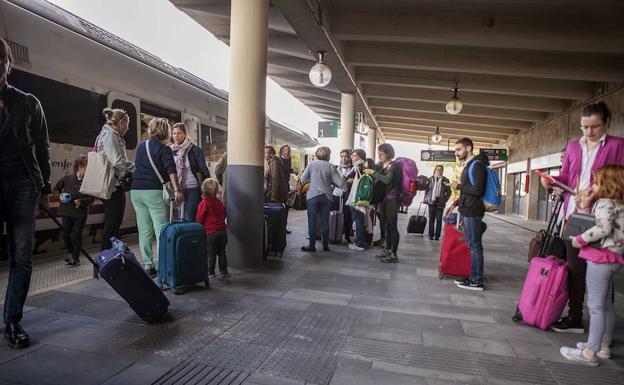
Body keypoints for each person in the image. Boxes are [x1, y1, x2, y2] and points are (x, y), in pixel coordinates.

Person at [541, 102, 624, 333]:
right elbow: (568, 176)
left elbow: (620, 180)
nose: (589, 132)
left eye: (595, 127)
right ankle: (575, 317)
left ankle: (604, 329)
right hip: (574, 215)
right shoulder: (573, 147)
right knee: (574, 268)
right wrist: (553, 180)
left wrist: (595, 192)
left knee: (601, 270)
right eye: (584, 127)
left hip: (602, 217)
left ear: (606, 123)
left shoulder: (618, 146)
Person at [0, 37, 50, 349]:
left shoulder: (29, 102)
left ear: (8, 64)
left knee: (21, 257)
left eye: (0, 60)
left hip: (22, 186)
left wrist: (43, 188)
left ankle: (12, 320)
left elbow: (43, 149)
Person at [559, 165, 624, 366]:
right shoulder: (618, 203)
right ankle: (604, 344)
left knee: (595, 306)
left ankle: (590, 351)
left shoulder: (605, 202)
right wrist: (586, 205)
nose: (593, 185)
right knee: (605, 306)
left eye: (596, 181)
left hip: (600, 258)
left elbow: (602, 228)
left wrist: (580, 239)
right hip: (612, 258)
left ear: (606, 183)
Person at [130, 118, 184, 276]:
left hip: (136, 191)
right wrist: (177, 190)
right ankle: (163, 266)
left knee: (144, 230)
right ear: (165, 131)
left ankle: (148, 265)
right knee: (161, 231)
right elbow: (171, 170)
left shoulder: (141, 146)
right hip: (153, 192)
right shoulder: (165, 149)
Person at [450, 138, 489, 291]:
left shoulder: (477, 165)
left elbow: (478, 190)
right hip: (468, 208)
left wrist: (458, 186)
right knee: (472, 244)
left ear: (468, 148)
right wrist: (456, 203)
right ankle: (473, 276)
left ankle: (477, 280)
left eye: (459, 149)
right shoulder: (471, 165)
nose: (456, 153)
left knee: (475, 245)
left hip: (473, 210)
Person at [96, 108, 135, 251]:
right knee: (112, 224)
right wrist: (136, 167)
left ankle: (108, 258)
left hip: (114, 184)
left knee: (113, 223)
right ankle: (104, 260)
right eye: (127, 124)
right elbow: (118, 161)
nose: (128, 128)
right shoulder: (110, 135)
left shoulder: (109, 135)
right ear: (121, 122)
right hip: (112, 185)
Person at [300, 146, 346, 252]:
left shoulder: (312, 165)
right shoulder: (331, 167)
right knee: (325, 221)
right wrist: (334, 183)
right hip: (326, 197)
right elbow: (340, 183)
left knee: (311, 222)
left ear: (317, 154)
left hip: (312, 196)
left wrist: (312, 180)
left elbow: (302, 179)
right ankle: (325, 245)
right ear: (328, 155)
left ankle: (312, 245)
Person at [364, 143, 402, 263]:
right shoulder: (381, 165)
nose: (379, 155)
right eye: (378, 153)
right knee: (385, 226)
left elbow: (387, 180)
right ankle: (387, 250)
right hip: (384, 199)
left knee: (392, 226)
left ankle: (393, 253)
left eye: (381, 153)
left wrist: (373, 173)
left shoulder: (394, 166)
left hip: (392, 200)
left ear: (388, 153)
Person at [53, 156, 94, 267]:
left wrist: (81, 202)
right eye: (87, 167)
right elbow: (55, 189)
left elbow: (91, 199)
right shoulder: (67, 179)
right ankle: (70, 254)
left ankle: (75, 258)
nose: (88, 171)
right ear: (80, 167)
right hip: (66, 212)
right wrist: (60, 195)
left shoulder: (88, 182)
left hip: (80, 214)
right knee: (65, 234)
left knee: (76, 235)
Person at [171, 122, 210, 222]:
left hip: (192, 189)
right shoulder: (171, 151)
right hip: (177, 190)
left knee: (189, 218)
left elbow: (203, 170)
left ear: (185, 134)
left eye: (179, 133)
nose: (176, 136)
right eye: (174, 133)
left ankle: (191, 237)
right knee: (177, 219)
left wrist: (207, 190)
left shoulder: (195, 150)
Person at [196, 178, 230, 278]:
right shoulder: (219, 203)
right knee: (222, 252)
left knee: (211, 253)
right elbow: (224, 214)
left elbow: (200, 218)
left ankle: (211, 271)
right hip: (223, 231)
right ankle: (224, 271)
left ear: (203, 190)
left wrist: (200, 225)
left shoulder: (204, 203)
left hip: (211, 232)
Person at [348, 149, 369, 251]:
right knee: (358, 219)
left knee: (358, 219)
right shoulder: (361, 165)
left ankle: (359, 243)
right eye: (352, 155)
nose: (352, 157)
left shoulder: (360, 166)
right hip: (358, 196)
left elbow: (348, 175)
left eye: (354, 155)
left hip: (357, 197)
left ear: (360, 156)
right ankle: (359, 241)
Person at [333, 149, 355, 243]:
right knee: (335, 214)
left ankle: (347, 235)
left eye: (345, 156)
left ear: (349, 157)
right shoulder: (336, 168)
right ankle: (335, 234)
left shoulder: (354, 168)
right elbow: (333, 180)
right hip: (337, 193)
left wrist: (352, 180)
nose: (343, 158)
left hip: (348, 194)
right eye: (341, 156)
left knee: (347, 215)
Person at [425, 165, 451, 240]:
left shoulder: (446, 180)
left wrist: (445, 200)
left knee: (439, 220)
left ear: (442, 171)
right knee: (431, 219)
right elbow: (427, 190)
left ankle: (437, 236)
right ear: (435, 170)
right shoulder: (430, 179)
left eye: (440, 169)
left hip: (440, 202)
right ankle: (430, 235)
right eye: (437, 169)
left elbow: (449, 192)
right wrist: (426, 198)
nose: (438, 171)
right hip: (431, 202)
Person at [279, 144, 294, 234]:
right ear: (281, 151)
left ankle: (284, 227)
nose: (287, 152)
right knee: (282, 206)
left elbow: (287, 170)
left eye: (288, 150)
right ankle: (280, 228)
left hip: (286, 184)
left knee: (286, 206)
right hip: (281, 185)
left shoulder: (289, 159)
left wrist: (291, 170)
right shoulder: (279, 160)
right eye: (285, 150)